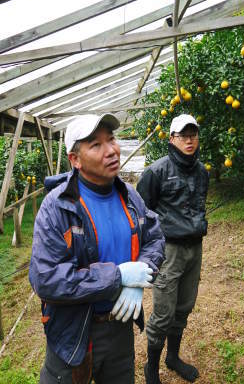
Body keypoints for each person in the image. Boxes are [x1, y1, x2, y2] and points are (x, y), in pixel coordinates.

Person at [29, 113, 165, 384]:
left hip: (119, 324)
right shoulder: (58, 207)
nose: (111, 150)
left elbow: (155, 237)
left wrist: (139, 276)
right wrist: (117, 276)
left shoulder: (129, 195)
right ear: (75, 160)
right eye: (95, 145)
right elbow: (47, 279)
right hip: (73, 331)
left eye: (111, 139)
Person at [137, 114, 209, 384]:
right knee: (164, 312)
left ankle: (173, 357)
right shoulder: (157, 172)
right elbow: (142, 212)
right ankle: (152, 367)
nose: (189, 140)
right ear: (171, 139)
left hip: (195, 248)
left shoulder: (202, 171)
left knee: (184, 306)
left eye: (193, 134)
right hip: (169, 250)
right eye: (183, 135)